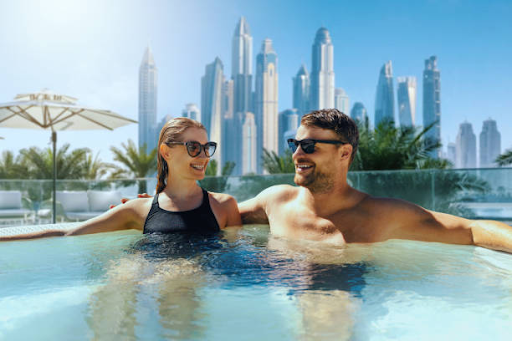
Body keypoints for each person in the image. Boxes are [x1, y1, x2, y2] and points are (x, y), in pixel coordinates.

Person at [238, 109, 512, 253]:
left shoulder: (381, 215)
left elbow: (473, 229)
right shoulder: (275, 201)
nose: (297, 154)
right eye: (294, 144)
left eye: (309, 145)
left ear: (344, 153)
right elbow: (215, 212)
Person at [0, 118, 241, 241]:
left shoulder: (224, 206)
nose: (203, 156)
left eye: (207, 147)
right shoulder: (138, 209)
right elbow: (67, 234)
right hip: (153, 290)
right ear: (167, 152)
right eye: (193, 147)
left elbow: (236, 262)